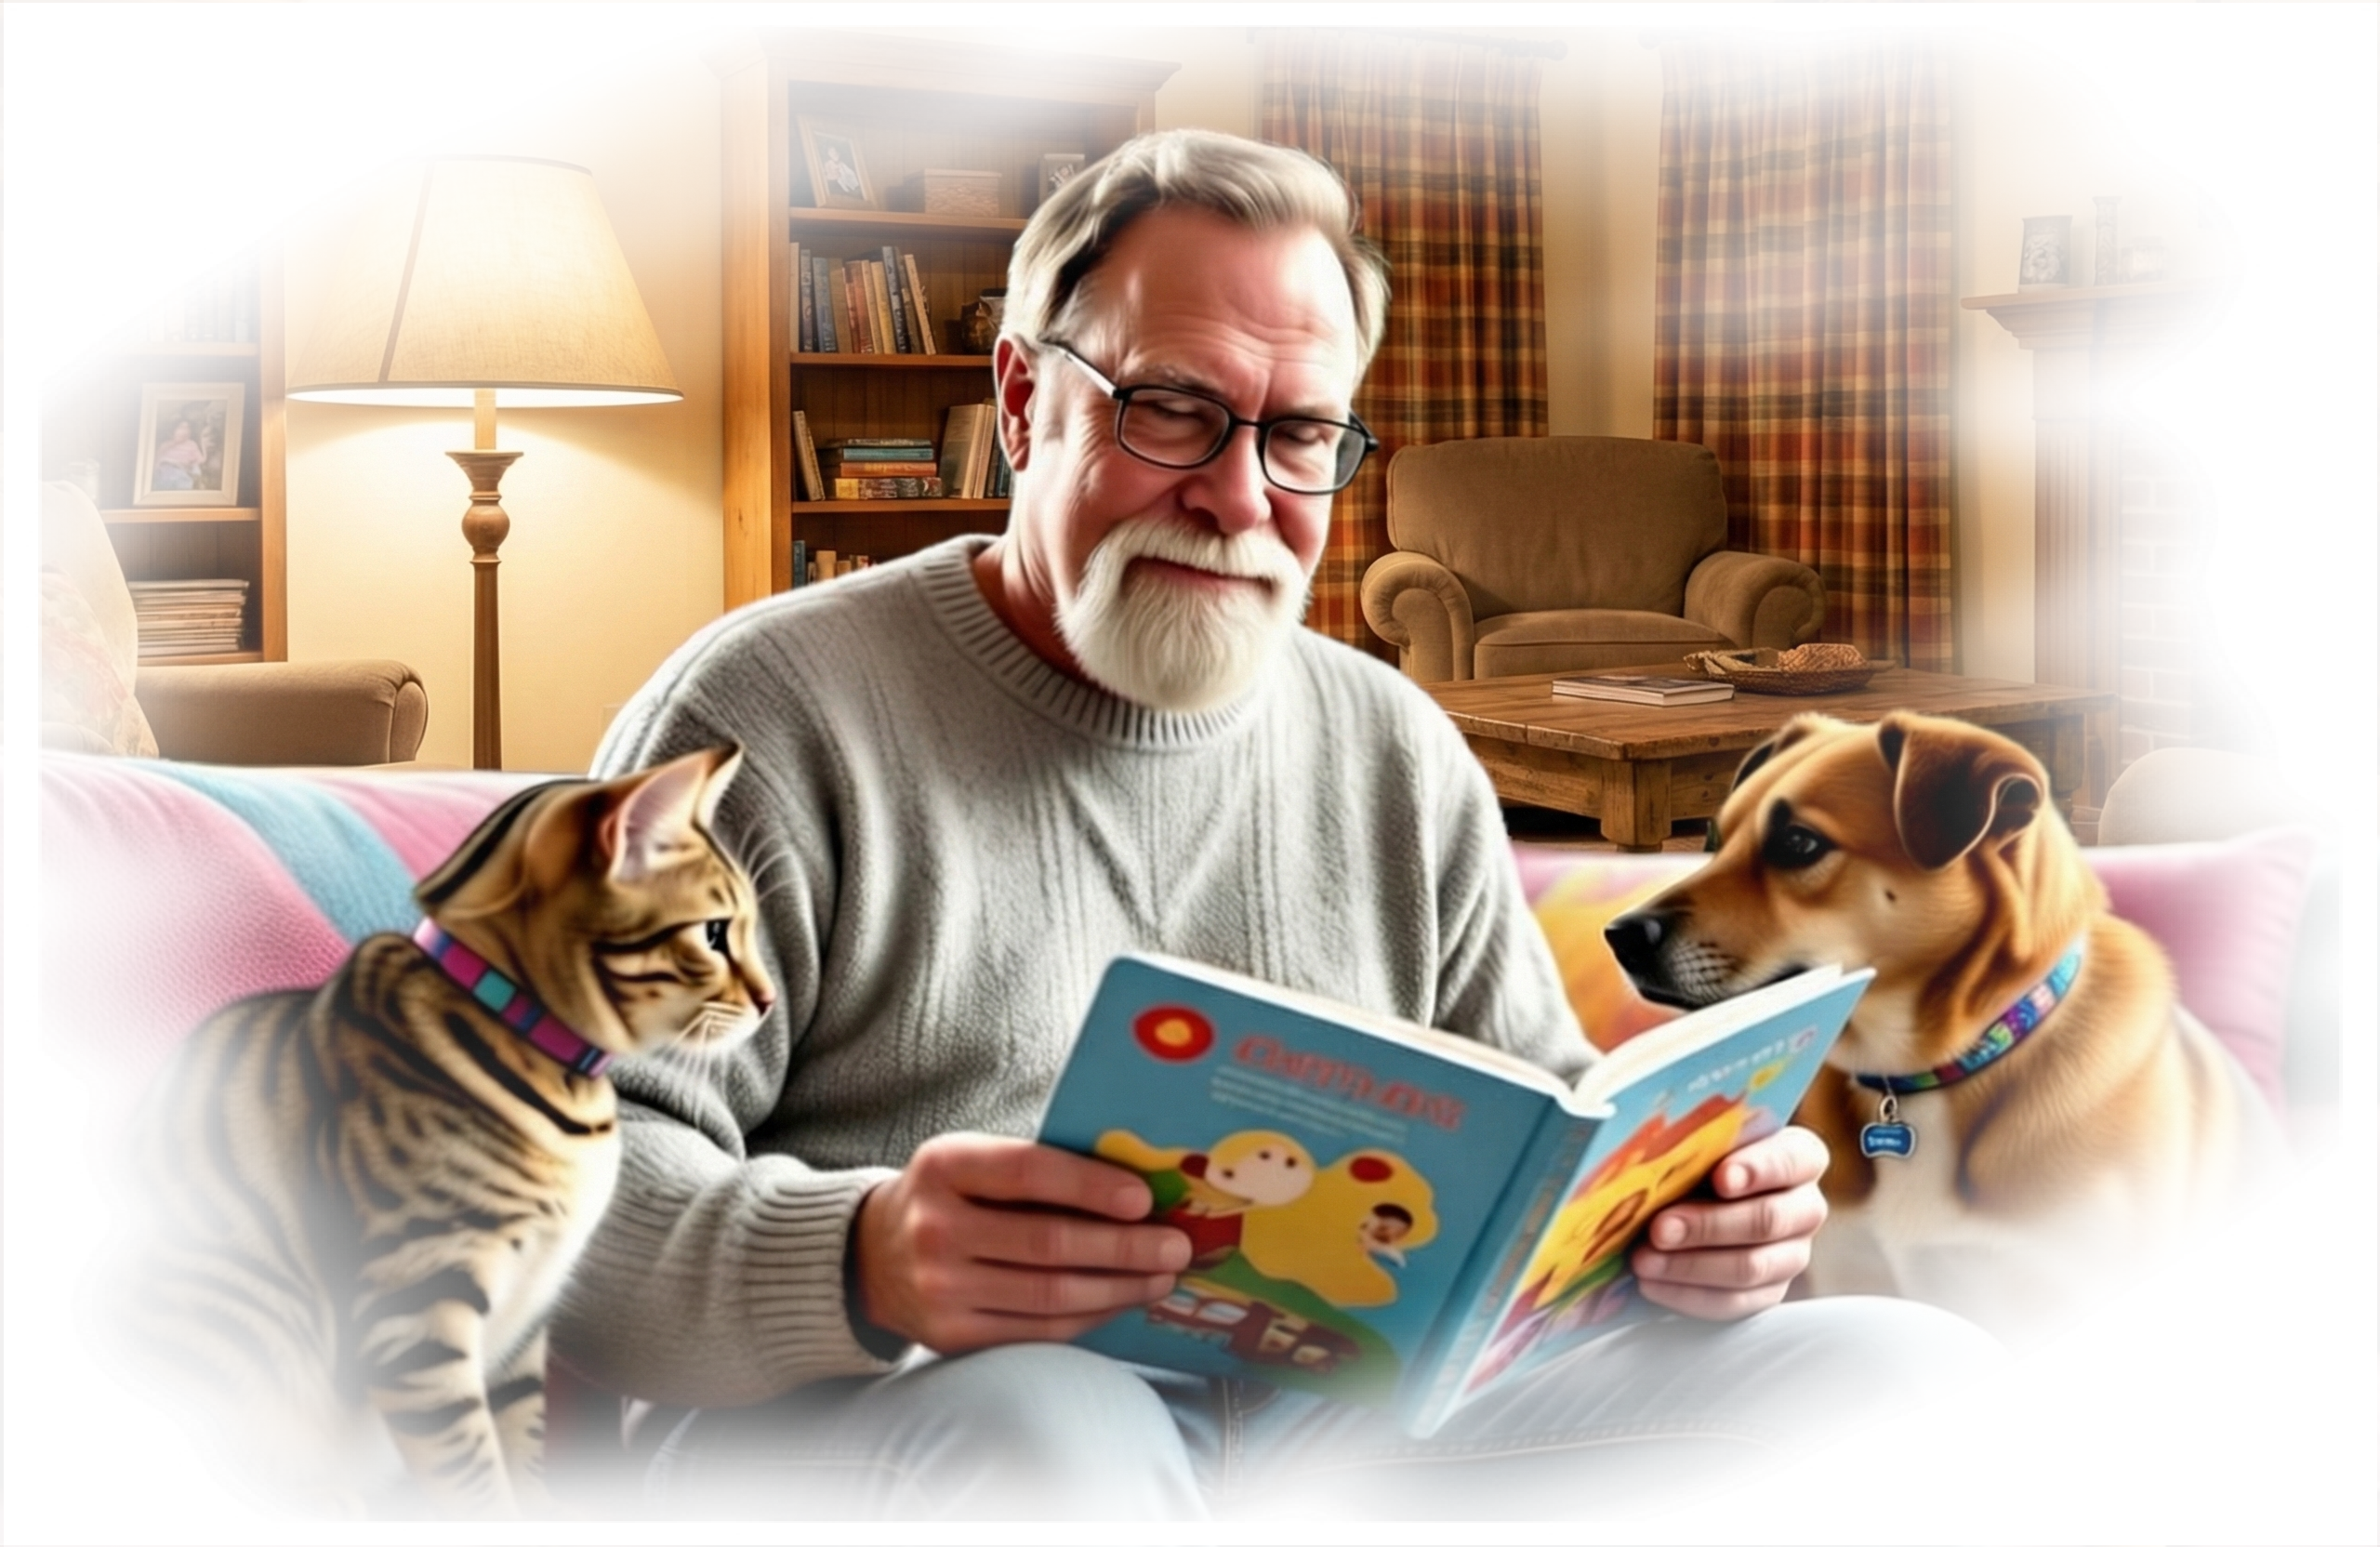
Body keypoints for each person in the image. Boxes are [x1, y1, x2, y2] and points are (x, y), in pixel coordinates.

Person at [559, 127, 2010, 1524]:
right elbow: (558, 1182)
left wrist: (1692, 1221)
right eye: (1170, 409)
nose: (1239, 496)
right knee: (1060, 1436)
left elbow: (1548, 1131)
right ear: (1020, 398)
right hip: (891, 1394)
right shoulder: (762, 712)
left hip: (1344, 1406)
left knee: (1921, 1376)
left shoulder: (1391, 739)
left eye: (1301, 432)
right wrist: (862, 1257)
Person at [152, 416, 206, 491]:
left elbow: (200, 460)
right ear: (173, 430)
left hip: (183, 473)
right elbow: (156, 464)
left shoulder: (191, 445)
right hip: (166, 474)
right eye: (181, 428)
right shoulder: (165, 445)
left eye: (188, 428)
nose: (185, 431)